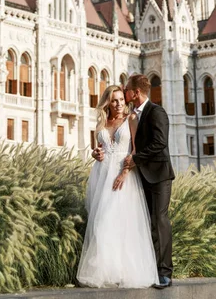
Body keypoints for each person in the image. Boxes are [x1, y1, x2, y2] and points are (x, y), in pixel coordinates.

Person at [76, 85, 159, 289]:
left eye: (122, 99)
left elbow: (136, 148)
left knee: (121, 223)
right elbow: (99, 150)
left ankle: (123, 271)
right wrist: (96, 154)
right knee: (102, 221)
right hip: (103, 173)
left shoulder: (131, 120)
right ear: (108, 103)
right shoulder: (102, 123)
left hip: (124, 176)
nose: (119, 104)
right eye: (115, 100)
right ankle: (106, 271)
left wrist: (125, 172)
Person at [123, 74, 175, 289]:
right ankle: (150, 269)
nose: (124, 92)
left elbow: (160, 143)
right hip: (142, 176)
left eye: (127, 89)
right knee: (146, 223)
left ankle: (165, 273)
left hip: (159, 175)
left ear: (135, 92)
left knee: (159, 221)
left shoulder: (157, 112)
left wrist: (136, 159)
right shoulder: (131, 115)